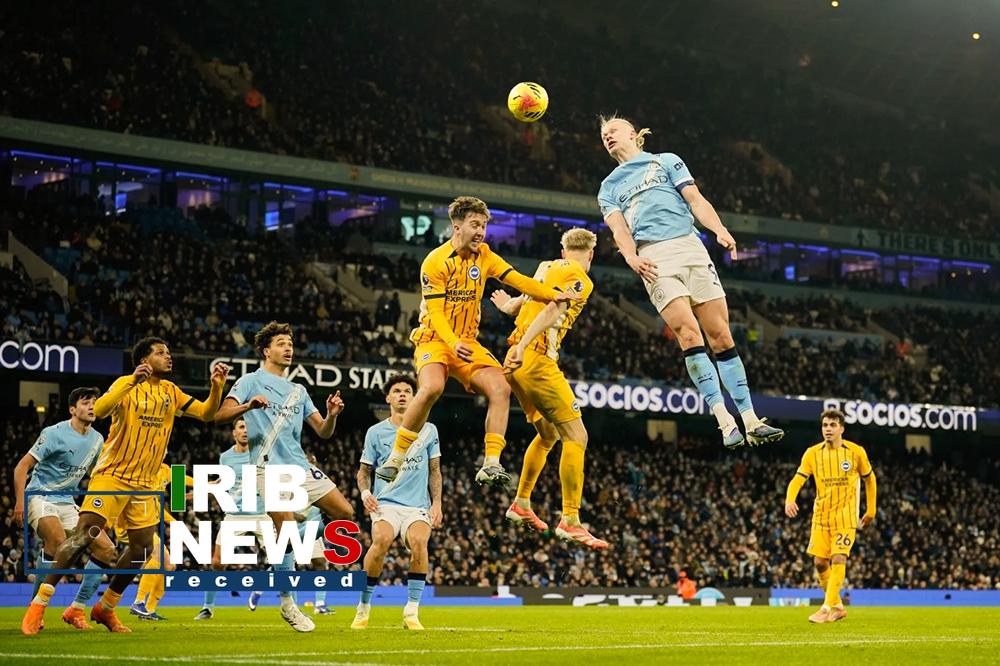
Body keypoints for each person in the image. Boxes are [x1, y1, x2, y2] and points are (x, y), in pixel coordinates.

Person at [597, 116, 783, 449]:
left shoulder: (666, 161)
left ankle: (752, 420)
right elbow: (619, 230)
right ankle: (724, 421)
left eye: (613, 130)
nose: (607, 136)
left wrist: (719, 229)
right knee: (689, 334)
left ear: (633, 134)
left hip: (691, 247)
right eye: (603, 135)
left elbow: (696, 200)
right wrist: (631, 257)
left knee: (721, 335)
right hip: (654, 256)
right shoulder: (608, 187)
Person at [21, 337, 229, 635]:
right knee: (85, 534)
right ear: (144, 360)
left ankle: (105, 608)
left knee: (143, 548)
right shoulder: (125, 384)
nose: (168, 357)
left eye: (169, 352)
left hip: (144, 484)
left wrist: (217, 387)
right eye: (161, 353)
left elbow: (207, 413)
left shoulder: (171, 391)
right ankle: (39, 604)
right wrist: (132, 380)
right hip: (113, 475)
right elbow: (101, 409)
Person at [375, 196, 575, 487]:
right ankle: (396, 457)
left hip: (467, 342)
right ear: (457, 227)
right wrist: (452, 342)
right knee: (432, 387)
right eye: (474, 224)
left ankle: (491, 463)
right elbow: (436, 313)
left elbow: (518, 280)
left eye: (483, 226)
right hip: (435, 339)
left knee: (501, 387)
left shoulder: (485, 256)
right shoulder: (434, 262)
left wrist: (553, 294)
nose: (481, 231)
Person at [214, 321, 353, 633]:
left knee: (345, 513)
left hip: (300, 467)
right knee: (287, 529)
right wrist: (248, 405)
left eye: (290, 344)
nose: (288, 348)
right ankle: (288, 603)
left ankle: (285, 544)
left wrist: (331, 415)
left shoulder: (298, 391)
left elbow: (323, 432)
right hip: (267, 468)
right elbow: (219, 416)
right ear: (266, 351)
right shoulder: (250, 381)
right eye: (281, 343)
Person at [490, 228, 608, 549]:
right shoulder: (581, 279)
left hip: (515, 361)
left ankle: (521, 502)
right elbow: (553, 308)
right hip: (535, 358)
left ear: (563, 250)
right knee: (576, 436)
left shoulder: (545, 267)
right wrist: (524, 346)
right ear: (591, 254)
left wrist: (507, 307)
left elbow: (524, 301)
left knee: (548, 434)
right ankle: (571, 519)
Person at [354, 374, 442, 631]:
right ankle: (364, 606)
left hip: (417, 505)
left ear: (415, 397)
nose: (402, 394)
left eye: (407, 391)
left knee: (419, 543)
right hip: (386, 503)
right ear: (388, 398)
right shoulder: (375, 432)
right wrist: (365, 494)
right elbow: (363, 472)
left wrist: (437, 502)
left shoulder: (429, 430)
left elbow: (435, 470)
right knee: (381, 541)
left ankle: (411, 611)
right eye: (397, 391)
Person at [13, 386, 105, 630]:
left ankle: (77, 609)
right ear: (72, 409)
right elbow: (21, 467)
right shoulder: (54, 433)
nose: (92, 406)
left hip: (68, 502)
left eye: (94, 402)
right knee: (56, 540)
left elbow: (97, 476)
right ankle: (36, 609)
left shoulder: (97, 439)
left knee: (106, 548)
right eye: (86, 402)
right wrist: (20, 502)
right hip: (40, 496)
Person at [785, 408, 877, 624]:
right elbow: (798, 478)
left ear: (841, 429)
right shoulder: (812, 453)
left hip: (845, 517)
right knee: (819, 562)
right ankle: (837, 607)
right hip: (821, 517)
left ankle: (826, 608)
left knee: (838, 557)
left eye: (833, 425)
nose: (828, 429)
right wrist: (790, 499)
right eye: (825, 425)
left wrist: (871, 510)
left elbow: (870, 479)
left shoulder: (855, 452)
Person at [195, 417, 272, 620]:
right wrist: (196, 493)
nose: (245, 430)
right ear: (234, 433)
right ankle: (207, 607)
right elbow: (222, 482)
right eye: (241, 427)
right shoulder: (225, 457)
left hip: (262, 514)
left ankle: (290, 607)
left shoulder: (262, 453)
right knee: (217, 562)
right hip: (235, 515)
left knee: (283, 560)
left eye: (249, 427)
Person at [128, 462, 195, 620]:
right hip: (132, 521)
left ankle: (149, 610)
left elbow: (181, 478)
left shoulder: (164, 470)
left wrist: (208, 484)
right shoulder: (140, 469)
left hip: (146, 524)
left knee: (168, 566)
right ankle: (138, 602)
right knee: (159, 557)